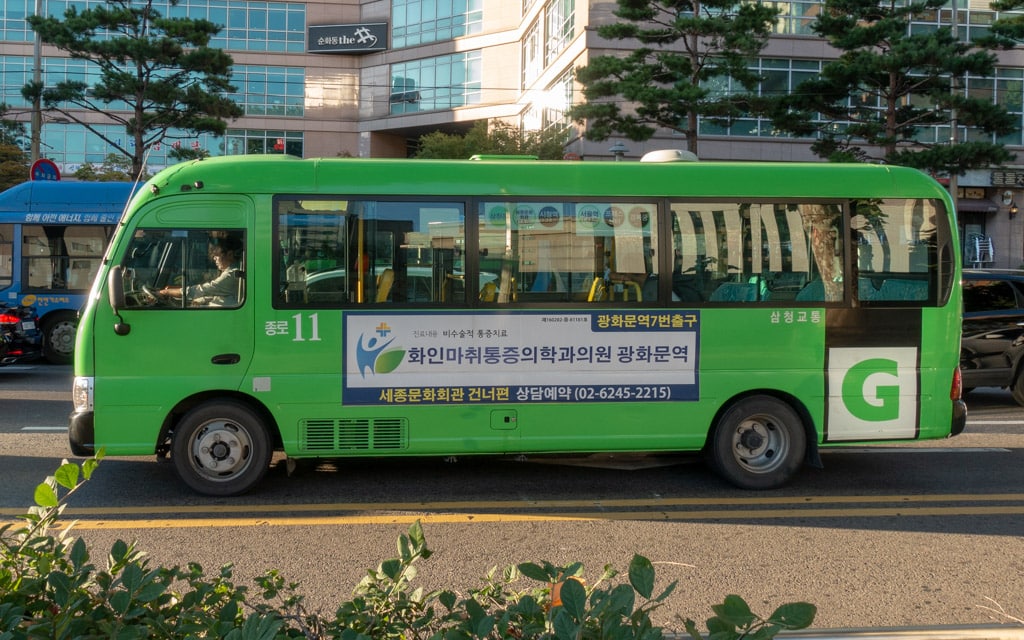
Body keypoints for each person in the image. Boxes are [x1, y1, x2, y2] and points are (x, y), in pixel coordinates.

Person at [160, 235, 243, 307]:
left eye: (217, 255)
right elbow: (219, 295)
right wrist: (201, 300)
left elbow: (204, 290)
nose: (214, 259)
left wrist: (166, 292)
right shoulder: (228, 272)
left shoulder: (233, 274)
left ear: (230, 254)